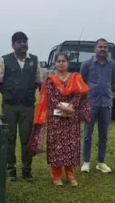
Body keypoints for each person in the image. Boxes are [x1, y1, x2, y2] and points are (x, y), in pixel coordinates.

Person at [27, 52, 91, 186]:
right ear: (55, 63)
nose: (61, 63)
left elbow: (80, 94)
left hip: (71, 118)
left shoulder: (75, 77)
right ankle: (56, 176)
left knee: (71, 146)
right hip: (55, 118)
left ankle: (70, 176)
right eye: (59, 61)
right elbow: (51, 96)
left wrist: (71, 106)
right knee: (56, 146)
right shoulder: (50, 80)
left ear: (68, 63)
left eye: (64, 61)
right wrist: (62, 107)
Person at [0, 31, 42, 182]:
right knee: (9, 138)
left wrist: (27, 94)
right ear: (13, 45)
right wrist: (11, 95)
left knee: (26, 138)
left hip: (27, 106)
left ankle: (27, 170)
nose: (23, 44)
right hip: (9, 106)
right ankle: (11, 169)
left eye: (25, 41)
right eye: (19, 41)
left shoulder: (34, 60)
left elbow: (37, 81)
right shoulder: (5, 59)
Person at [80, 38, 115, 174]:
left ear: (107, 50)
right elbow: (82, 82)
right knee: (87, 134)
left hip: (106, 103)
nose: (103, 49)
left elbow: (113, 82)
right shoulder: (87, 64)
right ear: (95, 49)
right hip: (91, 103)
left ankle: (101, 162)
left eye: (105, 47)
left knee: (104, 135)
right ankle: (86, 162)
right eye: (100, 47)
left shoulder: (112, 65)